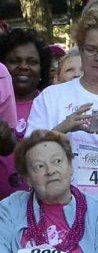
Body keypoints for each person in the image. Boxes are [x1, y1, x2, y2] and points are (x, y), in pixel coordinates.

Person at [28, 2, 98, 207]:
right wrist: (62, 129)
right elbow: (27, 155)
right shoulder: (51, 97)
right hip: (63, 207)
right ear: (79, 50)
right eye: (91, 49)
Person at [0, 28, 52, 198]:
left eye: (32, 61)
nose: (23, 66)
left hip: (42, 205)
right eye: (14, 61)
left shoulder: (50, 104)